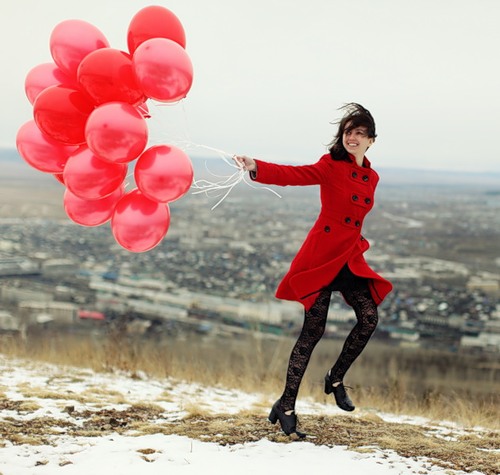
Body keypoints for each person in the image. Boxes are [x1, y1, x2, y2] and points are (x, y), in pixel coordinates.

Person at [233, 103, 393, 438]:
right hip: (321, 256)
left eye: (360, 133)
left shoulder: (372, 177)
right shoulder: (330, 166)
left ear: (371, 141)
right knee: (312, 332)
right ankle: (287, 406)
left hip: (347, 257)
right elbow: (295, 175)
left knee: (369, 319)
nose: (352, 137)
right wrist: (256, 166)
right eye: (348, 131)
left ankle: (335, 378)